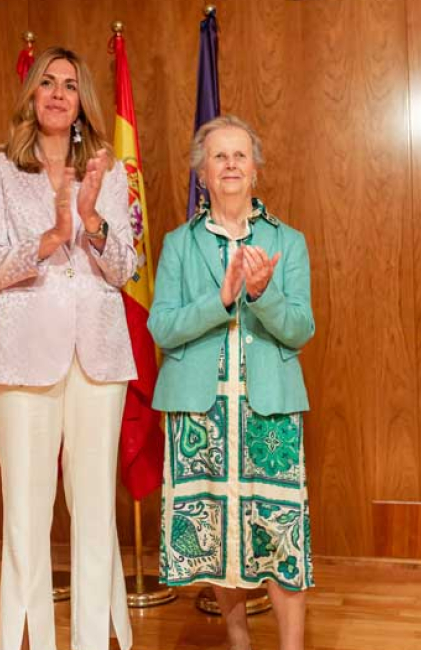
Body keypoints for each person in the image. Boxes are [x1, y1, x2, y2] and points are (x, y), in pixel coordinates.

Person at [0, 46, 137, 650]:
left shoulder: (108, 170)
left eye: (69, 84)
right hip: (23, 355)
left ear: (82, 100)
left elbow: (125, 268)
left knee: (94, 508)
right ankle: (28, 641)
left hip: (98, 356)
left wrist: (89, 221)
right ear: (32, 95)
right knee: (26, 509)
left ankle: (95, 640)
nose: (59, 93)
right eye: (48, 82)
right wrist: (49, 238)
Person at [148, 115, 315, 650]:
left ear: (256, 169)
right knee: (218, 536)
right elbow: (162, 327)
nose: (230, 165)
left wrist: (263, 294)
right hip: (199, 414)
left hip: (270, 411)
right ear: (202, 172)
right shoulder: (179, 244)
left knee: (282, 535)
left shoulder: (288, 241)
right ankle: (238, 639)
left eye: (240, 155)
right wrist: (220, 300)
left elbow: (300, 329)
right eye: (219, 156)